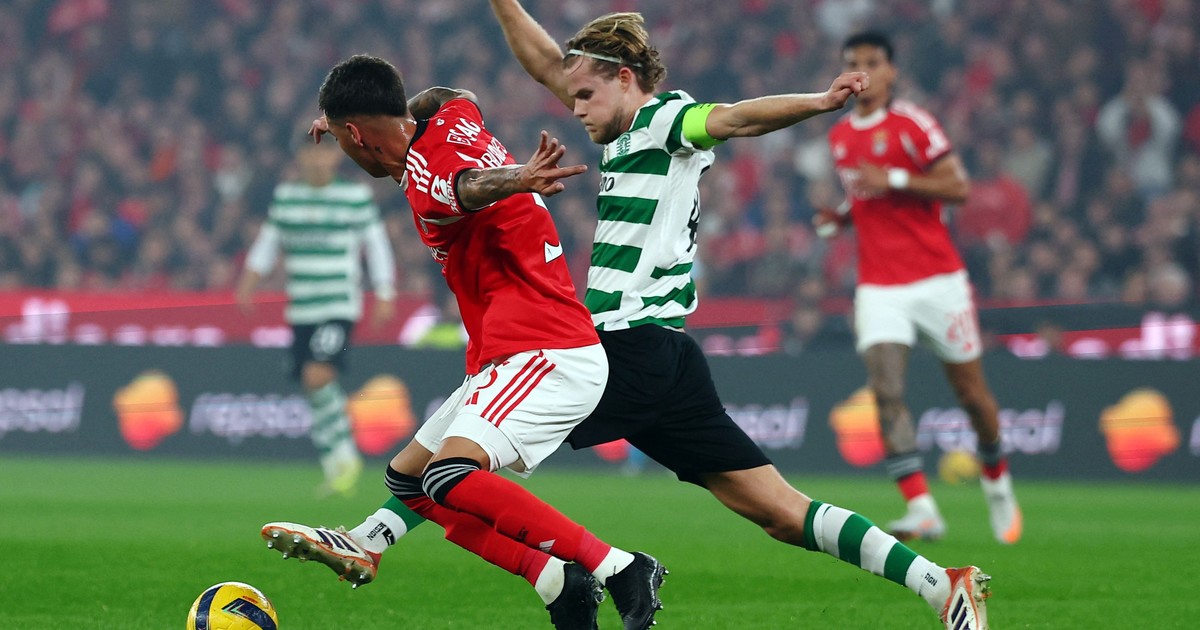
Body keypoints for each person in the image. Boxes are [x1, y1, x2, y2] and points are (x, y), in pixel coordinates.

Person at [268, 9, 992, 630]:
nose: (575, 109)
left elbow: (737, 117)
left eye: (586, 95)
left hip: (617, 347)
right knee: (779, 511)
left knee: (452, 461)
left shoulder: (666, 119)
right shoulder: (617, 128)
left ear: (624, 78)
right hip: (664, 355)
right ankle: (940, 583)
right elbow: (545, 62)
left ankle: (394, 541)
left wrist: (820, 101)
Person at [262, 54, 667, 630]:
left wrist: (518, 179)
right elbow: (453, 94)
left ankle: (620, 566)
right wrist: (360, 116)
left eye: (344, 140)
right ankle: (548, 579)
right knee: (409, 481)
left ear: (356, 134)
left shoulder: (426, 178)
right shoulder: (451, 118)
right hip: (509, 352)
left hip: (545, 350)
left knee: (448, 475)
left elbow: (465, 188)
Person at [815, 31, 1022, 546]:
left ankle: (996, 477)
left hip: (937, 279)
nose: (862, 73)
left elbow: (959, 187)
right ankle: (921, 507)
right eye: (853, 64)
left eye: (872, 63)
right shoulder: (839, 137)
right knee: (886, 391)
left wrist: (897, 180)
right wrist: (841, 218)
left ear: (892, 72)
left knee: (972, 396)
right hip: (879, 284)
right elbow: (865, 199)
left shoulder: (914, 124)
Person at [236, 136, 397, 497]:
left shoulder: (354, 197)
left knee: (317, 374)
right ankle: (336, 463)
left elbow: (376, 244)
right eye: (310, 151)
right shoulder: (287, 198)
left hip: (338, 304)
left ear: (335, 156)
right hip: (302, 307)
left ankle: (343, 456)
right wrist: (248, 282)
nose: (317, 158)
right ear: (300, 156)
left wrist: (385, 291)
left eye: (324, 151)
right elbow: (268, 243)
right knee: (312, 386)